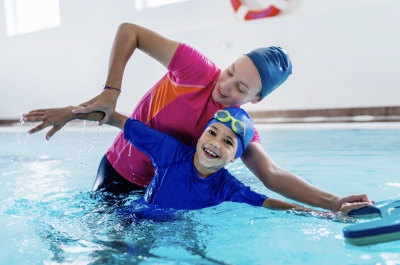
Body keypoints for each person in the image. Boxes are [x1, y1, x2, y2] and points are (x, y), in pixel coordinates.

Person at [22, 22, 373, 212]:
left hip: (158, 193)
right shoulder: (195, 68)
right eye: (230, 71)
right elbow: (130, 31)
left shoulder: (235, 128)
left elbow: (272, 174)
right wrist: (109, 92)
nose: (225, 86)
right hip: (117, 171)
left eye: (240, 88)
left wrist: (333, 202)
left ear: (257, 98)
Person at [105, 106, 371, 214]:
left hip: (176, 225)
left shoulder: (227, 187)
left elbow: (272, 204)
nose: (215, 143)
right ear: (200, 136)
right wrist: (69, 115)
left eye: (228, 142)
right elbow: (119, 120)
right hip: (136, 216)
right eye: (212, 132)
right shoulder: (170, 151)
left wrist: (328, 213)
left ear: (235, 158)